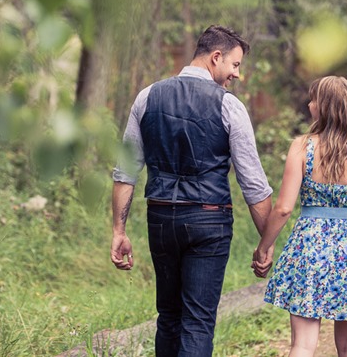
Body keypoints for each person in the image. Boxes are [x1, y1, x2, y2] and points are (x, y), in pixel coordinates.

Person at [111, 25, 273, 356]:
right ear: (216, 57)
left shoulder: (147, 96)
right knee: (197, 321)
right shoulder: (229, 107)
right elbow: (253, 183)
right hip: (208, 222)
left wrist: (119, 230)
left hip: (160, 219)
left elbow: (125, 170)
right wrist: (265, 243)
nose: (236, 75)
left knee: (168, 317)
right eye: (235, 65)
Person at [252, 76, 347, 357]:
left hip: (308, 249)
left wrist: (264, 247)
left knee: (302, 345)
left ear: (324, 107)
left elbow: (284, 208)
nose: (309, 104)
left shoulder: (302, 147)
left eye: (313, 99)